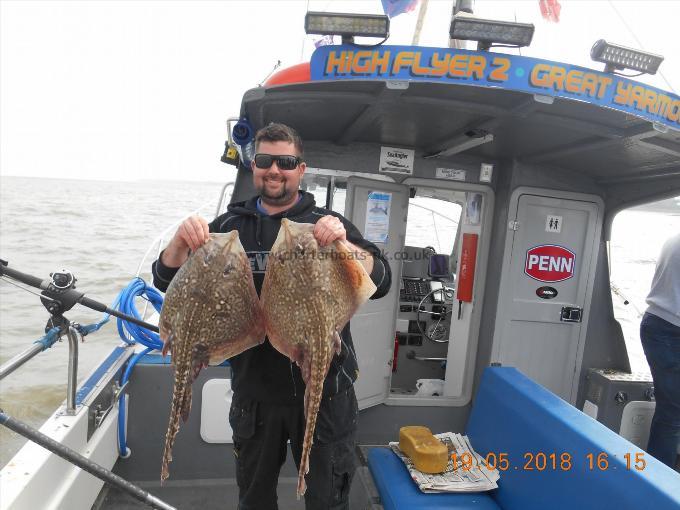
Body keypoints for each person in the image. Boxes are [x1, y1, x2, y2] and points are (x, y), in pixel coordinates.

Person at [152, 122, 391, 509]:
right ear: (253, 165)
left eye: (286, 161)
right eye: (265, 160)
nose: (274, 169)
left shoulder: (327, 225)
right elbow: (166, 280)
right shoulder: (228, 227)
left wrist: (344, 243)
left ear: (301, 168)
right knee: (255, 499)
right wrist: (180, 241)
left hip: (327, 389)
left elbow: (381, 280)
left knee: (327, 500)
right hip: (256, 394)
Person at [640, 232, 680, 471]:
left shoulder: (673, 238)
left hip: (659, 325)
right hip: (669, 330)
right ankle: (660, 478)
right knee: (672, 411)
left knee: (671, 410)